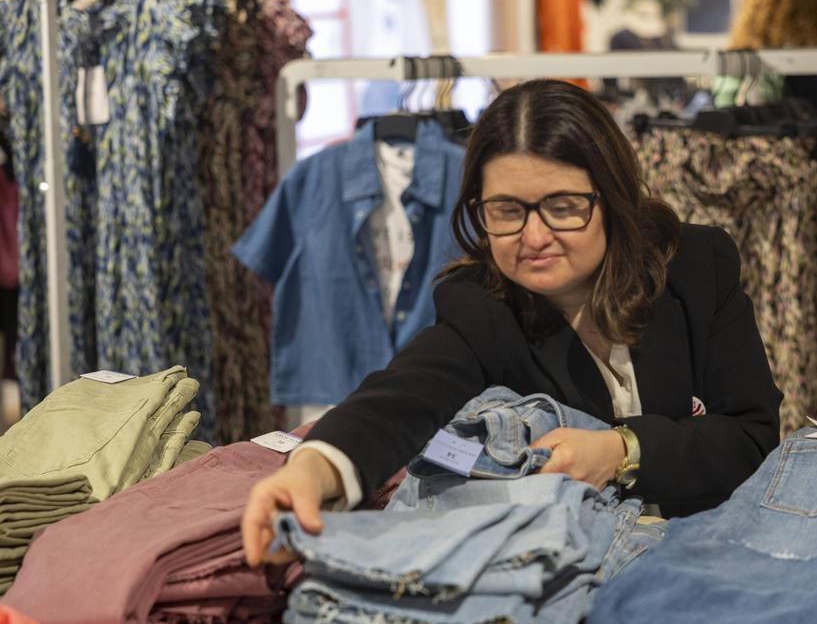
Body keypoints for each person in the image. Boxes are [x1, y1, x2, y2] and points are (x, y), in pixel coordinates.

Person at [241, 79, 783, 567]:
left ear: (612, 196)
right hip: (571, 573)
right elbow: (400, 397)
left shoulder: (694, 267)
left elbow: (750, 436)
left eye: (563, 206)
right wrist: (314, 468)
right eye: (506, 210)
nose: (534, 236)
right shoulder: (482, 305)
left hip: (716, 552)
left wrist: (623, 451)